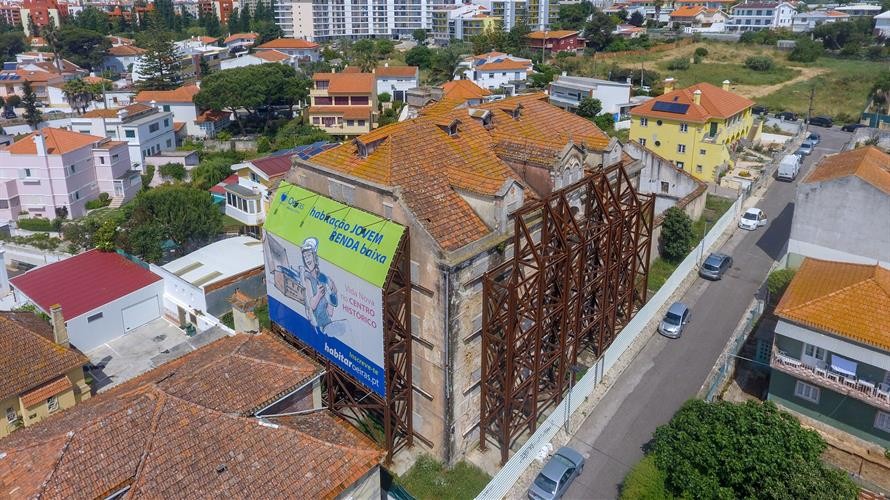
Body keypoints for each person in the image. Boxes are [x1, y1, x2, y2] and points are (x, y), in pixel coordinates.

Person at [300, 237, 337, 332]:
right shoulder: (307, 277)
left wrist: (331, 298)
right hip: (318, 326)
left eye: (309, 255)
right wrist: (319, 295)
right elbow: (312, 305)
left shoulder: (322, 277)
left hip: (327, 323)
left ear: (314, 256)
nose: (307, 259)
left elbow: (330, 311)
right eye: (305, 257)